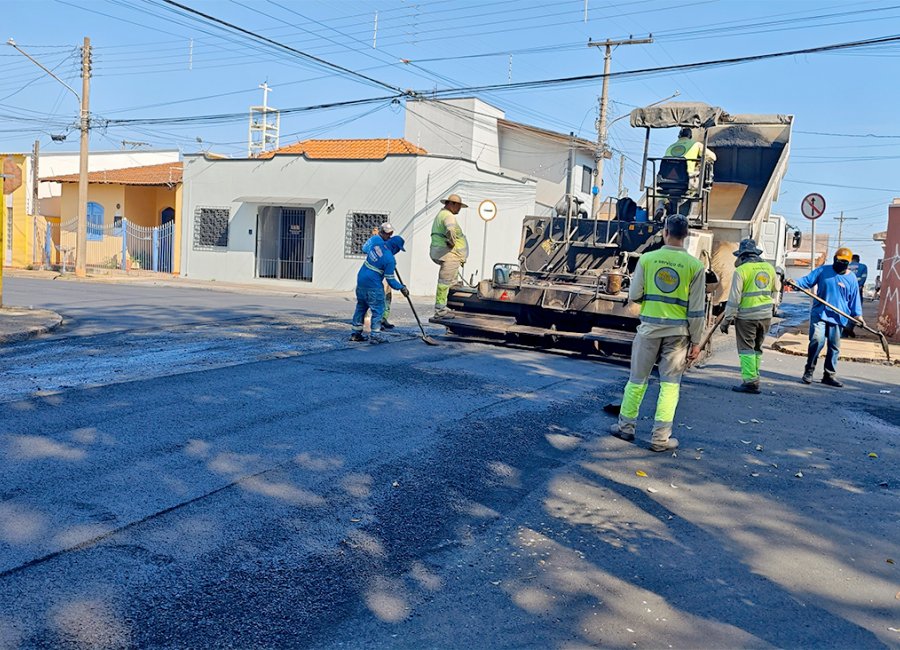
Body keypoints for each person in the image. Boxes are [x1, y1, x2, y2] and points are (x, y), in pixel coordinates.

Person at [609, 214, 705, 452]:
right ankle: (660, 439)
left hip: (649, 330)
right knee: (670, 385)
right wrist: (696, 341)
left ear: (665, 232)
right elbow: (696, 310)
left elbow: (634, 295)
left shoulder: (647, 259)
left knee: (637, 380)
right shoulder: (695, 266)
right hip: (678, 334)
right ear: (687, 236)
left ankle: (626, 428)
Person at [794, 247, 863, 387]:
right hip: (820, 313)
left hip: (839, 317)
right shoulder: (823, 271)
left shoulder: (851, 279)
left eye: (844, 262)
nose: (840, 263)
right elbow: (806, 281)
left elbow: (855, 300)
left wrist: (858, 316)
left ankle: (829, 375)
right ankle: (809, 371)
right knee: (817, 341)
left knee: (834, 346)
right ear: (834, 259)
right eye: (838, 260)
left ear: (848, 263)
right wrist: (795, 283)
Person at [719, 238, 777, 394]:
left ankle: (750, 381)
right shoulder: (769, 268)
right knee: (757, 347)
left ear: (742, 256)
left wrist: (727, 320)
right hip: (765, 316)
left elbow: (734, 299)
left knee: (746, 349)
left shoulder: (741, 271)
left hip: (747, 317)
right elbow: (775, 289)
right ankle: (755, 376)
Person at [351, 236, 408, 344]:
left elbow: (367, 250)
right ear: (395, 248)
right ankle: (375, 335)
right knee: (378, 310)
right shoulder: (390, 259)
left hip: (361, 280)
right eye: (398, 250)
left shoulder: (376, 245)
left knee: (361, 307)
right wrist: (402, 287)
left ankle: (355, 334)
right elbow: (390, 280)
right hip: (373, 284)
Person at [430, 193, 469, 316]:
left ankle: (447, 305)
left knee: (451, 282)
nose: (459, 209)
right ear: (452, 204)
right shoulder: (448, 216)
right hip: (449, 254)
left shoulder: (441, 214)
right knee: (444, 282)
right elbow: (451, 230)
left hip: (445, 253)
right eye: (458, 206)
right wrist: (452, 242)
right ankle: (440, 309)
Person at [362, 222, 396, 330]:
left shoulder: (389, 240)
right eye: (387, 233)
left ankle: (383, 319)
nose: (389, 235)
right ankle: (372, 321)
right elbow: (365, 249)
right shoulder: (374, 240)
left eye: (390, 233)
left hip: (386, 270)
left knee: (387, 296)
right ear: (381, 232)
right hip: (375, 272)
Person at [843, 254, 869, 337]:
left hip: (844, 290)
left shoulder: (847, 266)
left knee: (844, 308)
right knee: (855, 309)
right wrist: (860, 286)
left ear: (851, 259)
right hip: (857, 290)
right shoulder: (863, 267)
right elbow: (863, 278)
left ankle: (844, 328)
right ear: (859, 260)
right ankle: (849, 327)